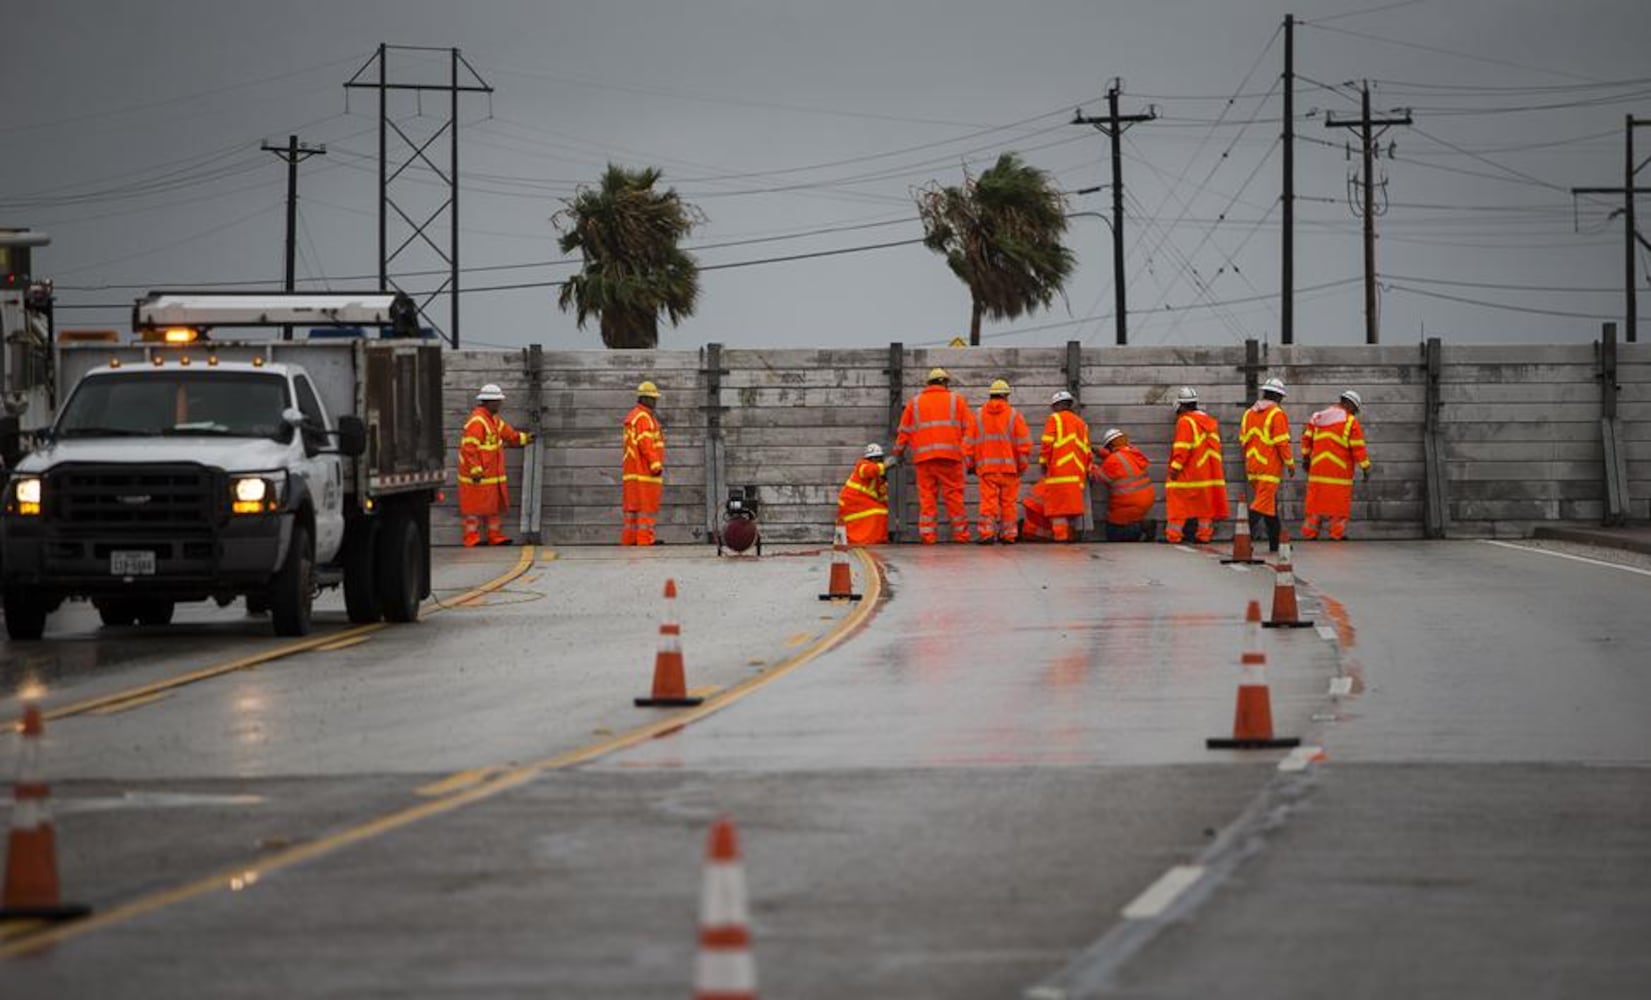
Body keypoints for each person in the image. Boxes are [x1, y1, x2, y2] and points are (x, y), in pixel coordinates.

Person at [892, 367, 976, 544]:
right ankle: (961, 536)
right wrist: (966, 455)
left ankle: (928, 537)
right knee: (954, 498)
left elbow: (903, 432)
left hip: (924, 461)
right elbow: (970, 430)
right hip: (951, 458)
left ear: (928, 384)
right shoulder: (957, 401)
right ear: (945, 383)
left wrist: (897, 452)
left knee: (927, 499)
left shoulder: (915, 403)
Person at [458, 383, 533, 547]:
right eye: (497, 401)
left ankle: (494, 536)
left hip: (491, 476)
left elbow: (509, 435)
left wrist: (525, 438)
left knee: (493, 507)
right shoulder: (477, 422)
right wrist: (475, 469)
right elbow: (468, 449)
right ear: (487, 402)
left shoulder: (493, 420)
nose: (500, 404)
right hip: (477, 477)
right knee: (474, 508)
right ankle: (471, 538)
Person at [1301, 389, 1372, 541]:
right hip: (1339, 473)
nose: (1355, 413)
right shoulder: (1350, 421)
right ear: (1349, 404)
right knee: (1339, 505)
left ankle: (1310, 533)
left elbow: (1307, 440)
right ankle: (1336, 534)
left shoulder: (1317, 417)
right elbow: (1358, 447)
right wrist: (1365, 467)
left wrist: (1306, 459)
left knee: (1314, 504)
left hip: (1318, 471)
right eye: (1355, 409)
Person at [1164, 386, 1229, 544]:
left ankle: (1174, 535)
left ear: (1181, 405)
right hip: (1207, 475)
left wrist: (1174, 469)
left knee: (1177, 503)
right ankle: (1204, 535)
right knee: (1205, 508)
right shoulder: (1209, 422)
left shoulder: (1185, 422)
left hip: (1188, 474)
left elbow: (1182, 448)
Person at [1239, 376, 1295, 553]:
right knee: (1261, 505)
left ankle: (1275, 543)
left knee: (1269, 506)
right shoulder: (1276, 414)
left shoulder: (1249, 413)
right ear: (1278, 397)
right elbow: (1281, 443)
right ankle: (1240, 539)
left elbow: (1243, 440)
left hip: (1252, 467)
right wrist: (1290, 463)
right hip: (1269, 468)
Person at [973, 379, 1033, 544]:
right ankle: (1009, 535)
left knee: (988, 502)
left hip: (987, 469)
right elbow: (1024, 445)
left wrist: (971, 464)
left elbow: (969, 442)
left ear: (990, 395)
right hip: (1009, 469)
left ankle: (987, 534)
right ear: (1006, 396)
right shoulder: (1014, 415)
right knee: (1008, 503)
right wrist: (1021, 467)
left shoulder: (978, 414)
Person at [1038, 390, 1092, 542]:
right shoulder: (1082, 423)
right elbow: (1087, 450)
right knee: (1072, 507)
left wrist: (1043, 462)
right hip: (1077, 474)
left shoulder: (1055, 419)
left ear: (1057, 405)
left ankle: (1061, 537)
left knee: (1058, 509)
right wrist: (1089, 469)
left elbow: (1047, 442)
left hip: (1059, 471)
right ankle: (1071, 535)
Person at [621, 380, 666, 546]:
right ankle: (645, 539)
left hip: (633, 473)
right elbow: (646, 444)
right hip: (644, 473)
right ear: (645, 398)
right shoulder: (643, 418)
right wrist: (655, 465)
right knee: (646, 508)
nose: (655, 402)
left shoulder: (634, 417)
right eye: (653, 398)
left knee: (633, 510)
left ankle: (630, 540)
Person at [1091, 427, 1156, 542]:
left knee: (1114, 526)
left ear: (1110, 445)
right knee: (1131, 517)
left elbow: (1097, 477)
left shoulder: (1113, 460)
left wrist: (1090, 464)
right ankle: (1144, 525)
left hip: (1129, 502)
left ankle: (1138, 530)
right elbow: (1118, 460)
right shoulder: (1132, 452)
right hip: (1146, 498)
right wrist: (1099, 452)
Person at [837, 443, 893, 544]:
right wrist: (884, 466)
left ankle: (876, 539)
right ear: (869, 458)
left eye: (879, 458)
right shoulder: (863, 464)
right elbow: (869, 471)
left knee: (883, 512)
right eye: (874, 458)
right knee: (878, 512)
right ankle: (869, 539)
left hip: (860, 501)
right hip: (852, 500)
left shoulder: (878, 477)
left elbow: (881, 495)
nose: (877, 460)